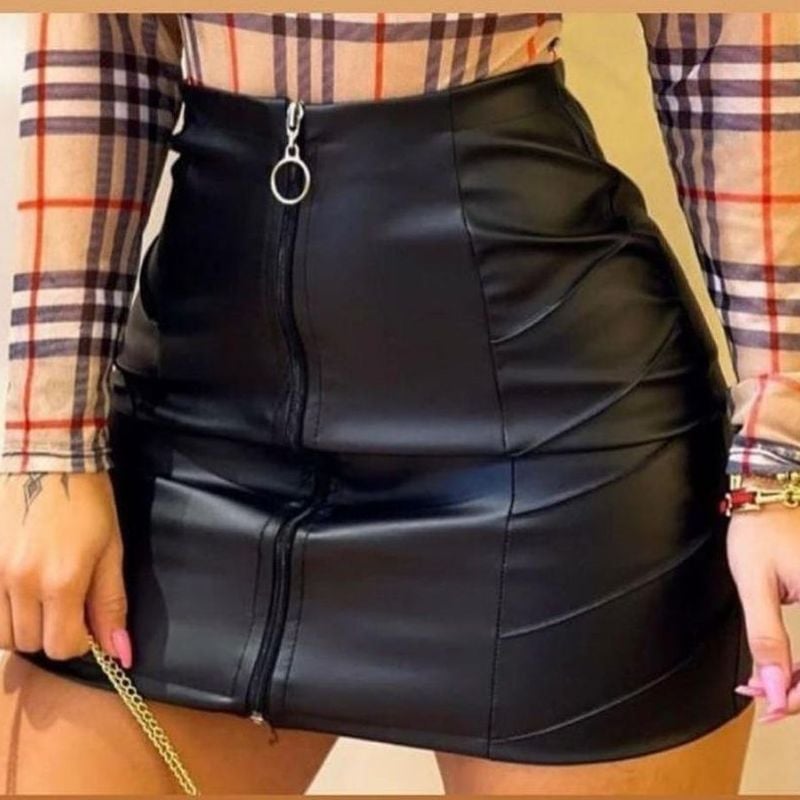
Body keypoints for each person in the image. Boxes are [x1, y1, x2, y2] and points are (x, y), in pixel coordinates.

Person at [0, 11, 798, 795]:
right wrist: (47, 445)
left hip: (547, 446)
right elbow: (101, 47)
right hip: (197, 434)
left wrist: (779, 453)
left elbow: (730, 46)